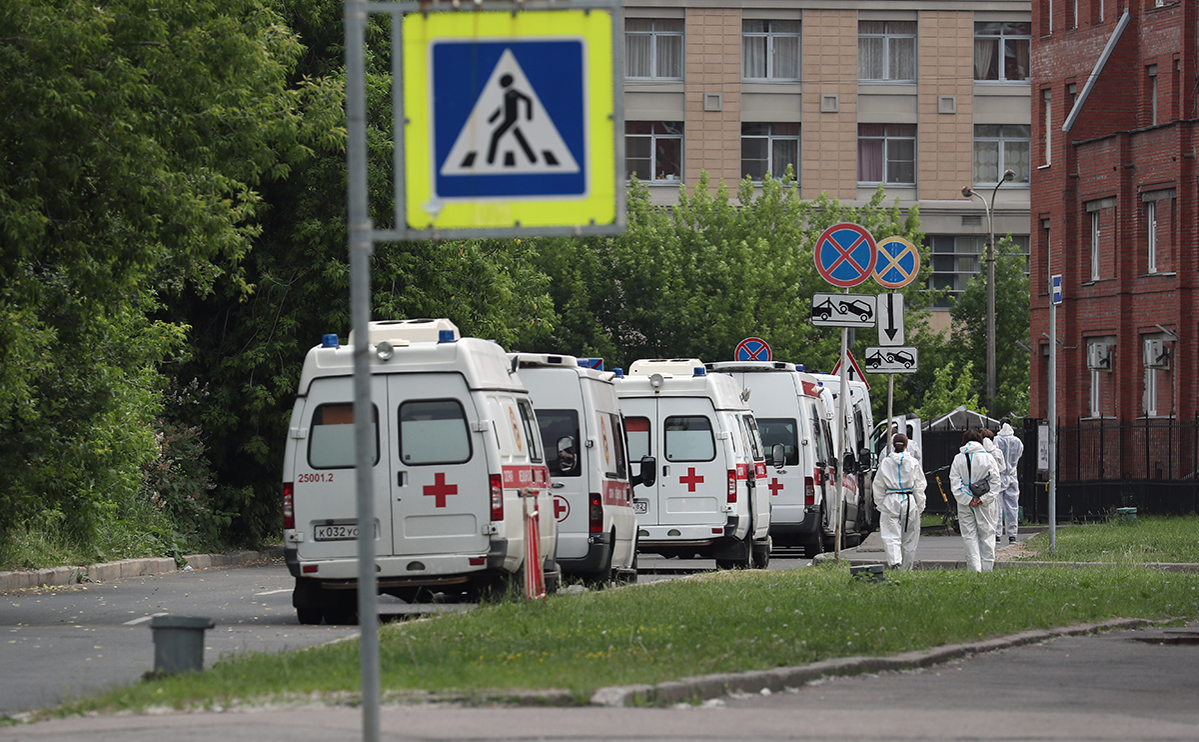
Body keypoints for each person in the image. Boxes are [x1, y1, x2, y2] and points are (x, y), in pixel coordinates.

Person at [949, 429, 1002, 572]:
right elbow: (996, 482)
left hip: (965, 504)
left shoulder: (958, 458)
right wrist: (983, 499)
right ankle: (987, 569)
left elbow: (955, 483)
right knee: (987, 535)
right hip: (985, 503)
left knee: (969, 536)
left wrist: (967, 499)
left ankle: (974, 569)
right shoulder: (988, 457)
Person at [872, 433, 927, 570]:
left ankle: (895, 562)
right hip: (909, 500)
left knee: (891, 535)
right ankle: (906, 568)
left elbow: (878, 485)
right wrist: (920, 505)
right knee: (910, 537)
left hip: (890, 500)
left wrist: (880, 504)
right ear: (907, 445)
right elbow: (919, 485)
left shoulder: (886, 462)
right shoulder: (913, 462)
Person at [994, 418, 1025, 544]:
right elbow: (1019, 455)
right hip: (1012, 476)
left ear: (1000, 426)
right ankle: (1012, 534)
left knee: (998, 506)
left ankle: (997, 534)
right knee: (1012, 507)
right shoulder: (1017, 441)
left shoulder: (996, 440)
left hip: (1000, 476)